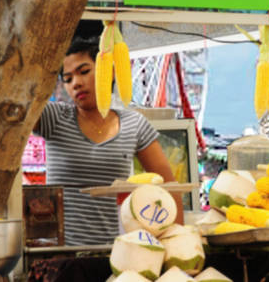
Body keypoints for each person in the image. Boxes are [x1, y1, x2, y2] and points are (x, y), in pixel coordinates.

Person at [33, 37, 184, 246]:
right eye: (67, 79)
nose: (76, 83)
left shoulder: (134, 123)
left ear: (108, 71)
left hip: (117, 252)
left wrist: (178, 243)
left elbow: (169, 187)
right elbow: (14, 109)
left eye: (84, 71)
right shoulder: (54, 117)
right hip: (62, 254)